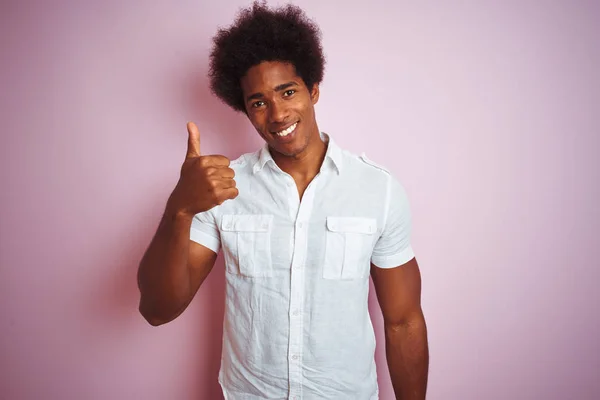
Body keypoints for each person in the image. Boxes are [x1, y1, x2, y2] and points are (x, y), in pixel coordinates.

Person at [137, 2, 429, 399]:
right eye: (258, 102)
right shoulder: (223, 189)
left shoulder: (377, 189)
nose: (277, 114)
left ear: (313, 90)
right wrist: (180, 208)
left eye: (287, 92)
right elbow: (157, 309)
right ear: (246, 111)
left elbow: (404, 321)